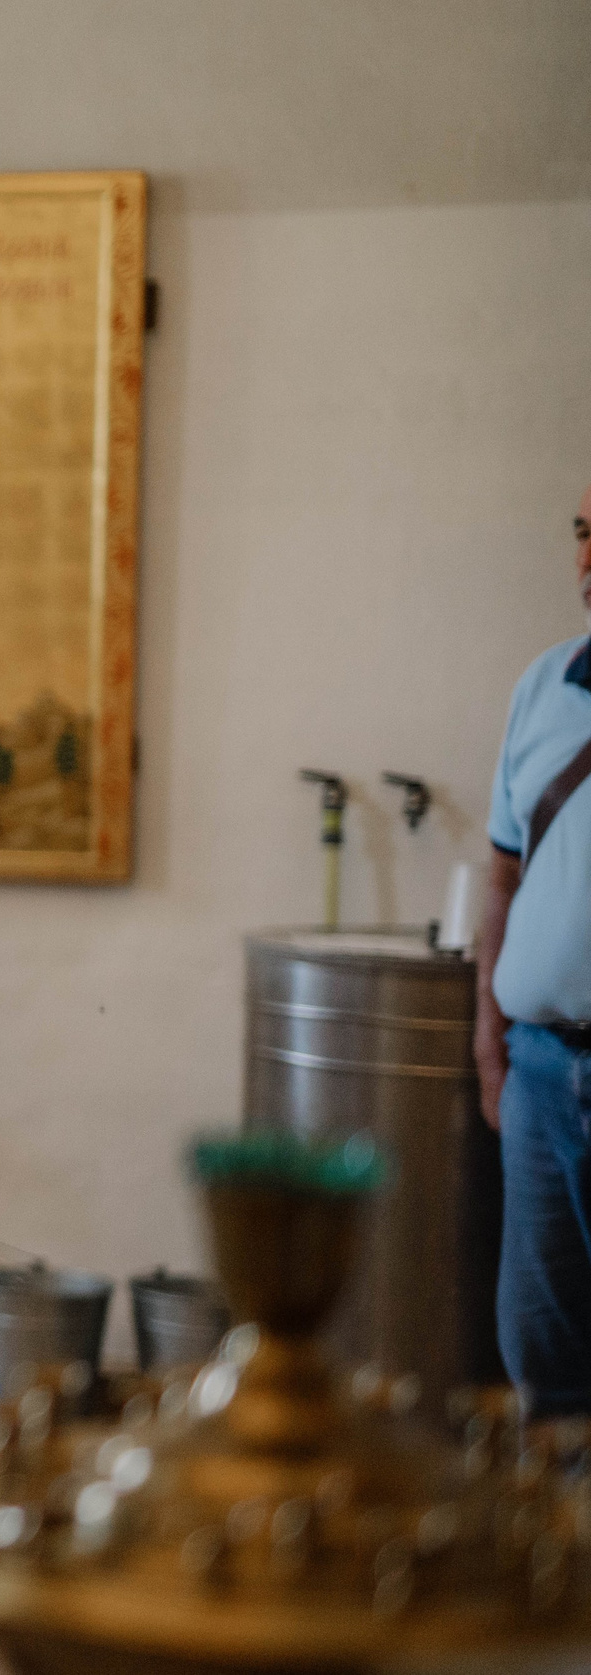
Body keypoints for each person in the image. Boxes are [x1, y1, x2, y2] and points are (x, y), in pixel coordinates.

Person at [475, 482, 591, 1419]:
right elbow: (502, 877)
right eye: (584, 532)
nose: (587, 558)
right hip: (543, 1070)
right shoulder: (544, 683)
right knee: (541, 1352)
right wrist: (490, 1040)